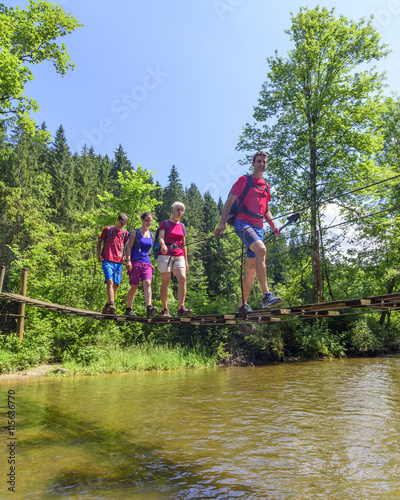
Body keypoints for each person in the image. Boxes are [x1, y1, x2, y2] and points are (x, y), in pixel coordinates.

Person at [214, 151, 282, 313]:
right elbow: (230, 201)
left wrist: (274, 226)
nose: (262, 164)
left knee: (251, 266)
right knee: (262, 249)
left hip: (259, 227)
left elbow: (266, 210)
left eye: (264, 162)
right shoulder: (245, 180)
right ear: (253, 164)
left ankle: (242, 305)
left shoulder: (266, 186)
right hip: (242, 223)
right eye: (259, 161)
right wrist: (222, 222)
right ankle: (266, 295)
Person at [157, 201, 192, 317]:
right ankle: (164, 309)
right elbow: (160, 237)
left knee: (182, 278)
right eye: (178, 209)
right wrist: (162, 246)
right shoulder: (165, 223)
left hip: (179, 254)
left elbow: (184, 244)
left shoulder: (182, 226)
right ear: (172, 210)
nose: (180, 212)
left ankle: (181, 307)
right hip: (165, 254)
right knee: (166, 282)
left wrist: (186, 261)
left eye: (182, 210)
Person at [125, 212, 157, 318]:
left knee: (147, 283)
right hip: (134, 261)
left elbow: (147, 251)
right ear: (142, 220)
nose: (149, 222)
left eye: (150, 220)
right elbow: (128, 247)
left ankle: (149, 307)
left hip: (146, 262)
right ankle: (129, 309)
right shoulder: (135, 233)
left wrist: (150, 263)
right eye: (147, 220)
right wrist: (128, 261)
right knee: (134, 286)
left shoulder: (151, 235)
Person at [97, 213, 129, 315]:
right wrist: (99, 255)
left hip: (119, 262)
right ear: (117, 220)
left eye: (124, 224)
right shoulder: (108, 230)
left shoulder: (125, 233)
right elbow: (99, 242)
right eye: (121, 223)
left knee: (116, 285)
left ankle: (107, 306)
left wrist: (125, 256)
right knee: (110, 281)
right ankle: (112, 304)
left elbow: (126, 246)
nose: (122, 225)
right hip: (107, 260)